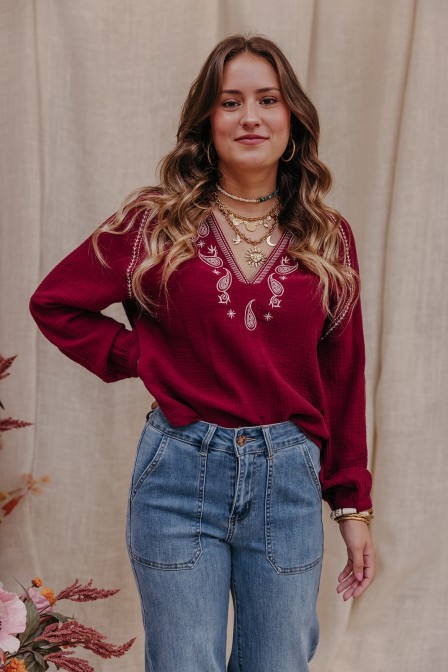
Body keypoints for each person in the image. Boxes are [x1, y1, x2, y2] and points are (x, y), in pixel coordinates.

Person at [29, 34, 375, 672]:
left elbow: (342, 376)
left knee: (280, 661)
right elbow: (55, 303)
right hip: (179, 475)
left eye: (267, 100)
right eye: (230, 102)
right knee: (184, 662)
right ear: (205, 122)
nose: (250, 117)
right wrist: (142, 359)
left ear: (291, 117)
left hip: (290, 481)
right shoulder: (154, 223)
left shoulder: (328, 238)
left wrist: (351, 505)